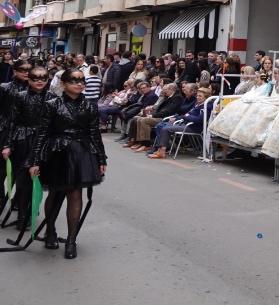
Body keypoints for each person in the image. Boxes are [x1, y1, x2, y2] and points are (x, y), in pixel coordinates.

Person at [29, 68, 107, 259]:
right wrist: (35, 161)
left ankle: (71, 241)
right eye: (74, 81)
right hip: (57, 152)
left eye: (82, 81)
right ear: (63, 83)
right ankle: (50, 231)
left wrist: (101, 158)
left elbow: (94, 133)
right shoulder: (51, 105)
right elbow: (42, 134)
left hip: (81, 152)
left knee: (75, 194)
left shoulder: (90, 106)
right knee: (55, 193)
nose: (79, 84)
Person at [3, 65, 51, 232]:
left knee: (37, 180)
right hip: (22, 140)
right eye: (35, 78)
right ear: (29, 80)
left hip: (44, 142)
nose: (39, 81)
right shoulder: (20, 96)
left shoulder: (53, 98)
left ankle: (32, 212)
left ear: (48, 79)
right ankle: (22, 216)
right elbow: (12, 121)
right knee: (22, 180)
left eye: (43, 78)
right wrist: (7, 144)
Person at [147, 86, 215, 159]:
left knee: (165, 129)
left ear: (206, 97)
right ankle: (159, 149)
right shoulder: (198, 104)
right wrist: (183, 117)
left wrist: (187, 116)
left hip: (194, 127)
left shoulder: (207, 106)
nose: (197, 97)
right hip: (187, 124)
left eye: (200, 96)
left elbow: (199, 119)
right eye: (197, 95)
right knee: (161, 125)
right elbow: (186, 115)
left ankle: (161, 152)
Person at [125, 83, 184, 152]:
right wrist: (152, 114)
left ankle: (146, 144)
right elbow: (158, 108)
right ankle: (135, 140)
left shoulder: (177, 98)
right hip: (159, 115)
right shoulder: (168, 96)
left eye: (166, 90)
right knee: (136, 119)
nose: (164, 91)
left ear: (172, 90)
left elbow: (168, 111)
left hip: (166, 118)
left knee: (144, 120)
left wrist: (153, 115)